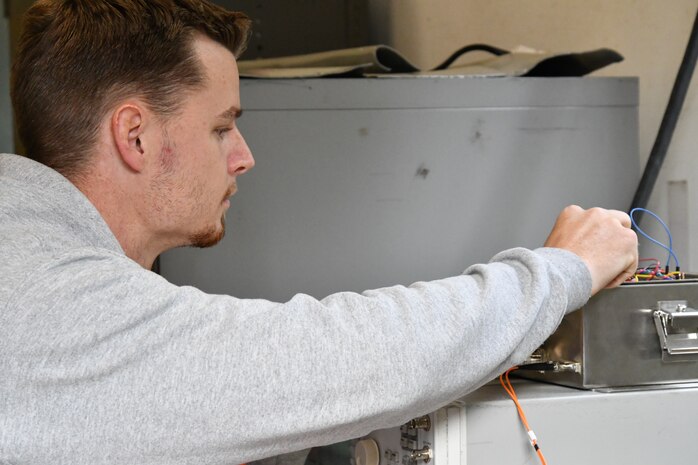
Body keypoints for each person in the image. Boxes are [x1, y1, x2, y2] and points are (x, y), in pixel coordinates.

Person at [0, 1, 638, 464]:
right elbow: (321, 358)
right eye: (222, 126)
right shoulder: (55, 305)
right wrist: (562, 268)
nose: (243, 155)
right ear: (135, 135)